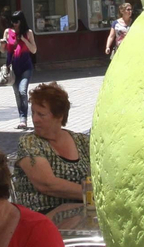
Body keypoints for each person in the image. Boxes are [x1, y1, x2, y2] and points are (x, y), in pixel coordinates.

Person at [12, 82, 90, 214]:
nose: (35, 119)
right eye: (33, 113)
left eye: (41, 114)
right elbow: (48, 184)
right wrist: (92, 195)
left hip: (82, 214)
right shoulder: (30, 142)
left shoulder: (82, 141)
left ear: (59, 116)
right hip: (41, 218)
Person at [0, 11, 36, 130]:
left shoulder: (28, 33)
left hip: (26, 67)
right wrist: (2, 44)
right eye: (12, 21)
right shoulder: (7, 32)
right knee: (17, 93)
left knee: (22, 91)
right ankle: (22, 118)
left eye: (16, 21)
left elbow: (34, 50)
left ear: (21, 21)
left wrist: (24, 40)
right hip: (13, 68)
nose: (14, 24)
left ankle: (23, 119)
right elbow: (2, 51)